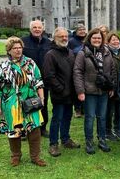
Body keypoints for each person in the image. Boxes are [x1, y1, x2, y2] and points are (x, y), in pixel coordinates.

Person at [0, 36, 46, 167]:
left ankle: (36, 157)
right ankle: (16, 156)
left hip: (30, 101)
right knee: (14, 131)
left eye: (19, 47)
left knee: (34, 130)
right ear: (9, 50)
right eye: (14, 48)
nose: (18, 50)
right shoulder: (3, 67)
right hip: (12, 104)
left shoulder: (30, 63)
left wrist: (42, 98)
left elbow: (38, 81)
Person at [73, 28, 116, 154]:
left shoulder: (107, 52)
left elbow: (112, 71)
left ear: (102, 40)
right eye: (94, 38)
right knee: (90, 117)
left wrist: (111, 87)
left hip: (103, 91)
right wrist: (80, 91)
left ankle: (102, 140)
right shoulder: (83, 53)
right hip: (89, 90)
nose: (97, 40)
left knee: (102, 117)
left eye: (99, 38)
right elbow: (77, 72)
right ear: (89, 39)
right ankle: (89, 141)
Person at [43, 27, 81, 157]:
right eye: (61, 37)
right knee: (57, 118)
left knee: (67, 117)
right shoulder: (50, 54)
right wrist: (60, 89)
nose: (64, 38)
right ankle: (53, 144)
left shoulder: (70, 52)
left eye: (66, 36)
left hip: (70, 94)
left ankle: (65, 139)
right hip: (59, 94)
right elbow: (49, 76)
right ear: (55, 38)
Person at [22, 20, 51, 137]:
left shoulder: (48, 43)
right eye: (35, 27)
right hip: (26, 80)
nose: (37, 29)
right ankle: (24, 129)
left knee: (43, 104)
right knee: (25, 104)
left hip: (43, 80)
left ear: (42, 29)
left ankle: (42, 128)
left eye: (39, 27)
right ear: (30, 29)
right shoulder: (23, 42)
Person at [105, 32, 120, 141]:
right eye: (113, 40)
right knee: (109, 111)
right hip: (111, 86)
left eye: (117, 39)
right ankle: (107, 131)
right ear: (108, 41)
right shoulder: (106, 52)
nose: (116, 41)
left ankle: (118, 129)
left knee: (119, 110)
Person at [67, 23, 87, 118]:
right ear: (76, 31)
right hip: (75, 67)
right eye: (80, 30)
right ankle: (77, 109)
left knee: (85, 88)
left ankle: (84, 108)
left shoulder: (87, 40)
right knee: (77, 89)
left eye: (83, 29)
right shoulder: (71, 41)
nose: (82, 31)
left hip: (86, 67)